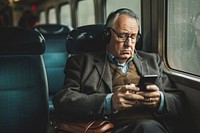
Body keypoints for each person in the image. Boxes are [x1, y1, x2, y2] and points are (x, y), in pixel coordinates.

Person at [52, 8, 192, 133]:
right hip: (113, 127)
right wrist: (109, 102)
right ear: (107, 35)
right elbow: (63, 101)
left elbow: (180, 101)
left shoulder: (152, 60)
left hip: (155, 125)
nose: (129, 43)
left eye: (133, 37)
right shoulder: (81, 62)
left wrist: (160, 99)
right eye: (122, 36)